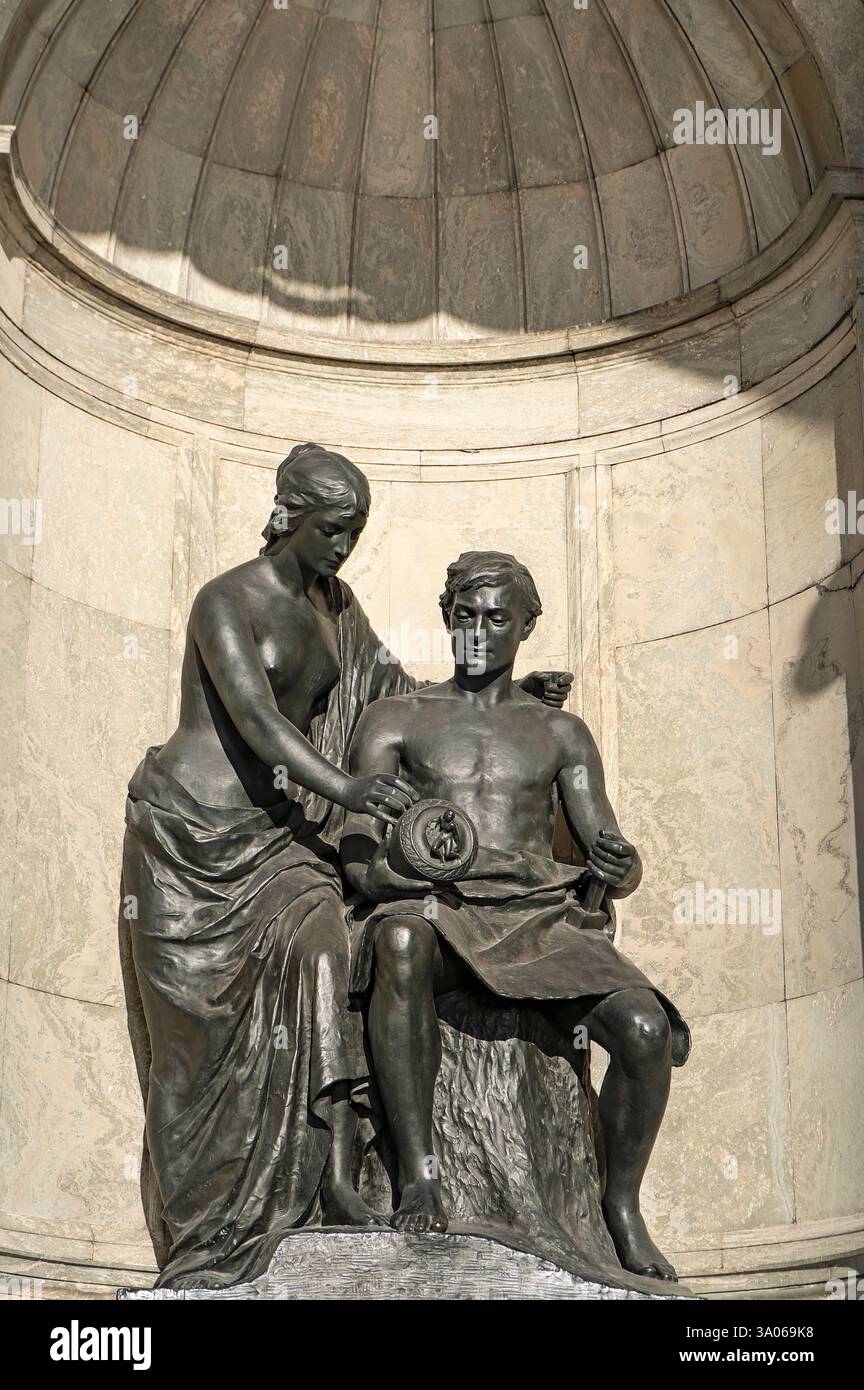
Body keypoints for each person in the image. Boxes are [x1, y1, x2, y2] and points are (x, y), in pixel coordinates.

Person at [120, 450, 571, 1289]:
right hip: (195, 837)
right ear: (289, 514)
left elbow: (388, 692)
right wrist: (349, 787)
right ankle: (208, 1227)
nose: (343, 548)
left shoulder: (335, 606)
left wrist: (498, 705)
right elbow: (258, 721)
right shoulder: (225, 601)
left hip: (285, 840)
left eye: (355, 533)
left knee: (329, 956)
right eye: (332, 530)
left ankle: (330, 1172)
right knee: (196, 1054)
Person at [341, 551, 691, 1282]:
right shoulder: (396, 719)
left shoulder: (561, 733)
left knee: (645, 1027)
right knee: (400, 938)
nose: (478, 630)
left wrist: (622, 870)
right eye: (464, 615)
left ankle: (620, 1205)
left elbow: (610, 852)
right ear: (446, 618)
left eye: (496, 617)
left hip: (543, 920)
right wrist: (401, 872)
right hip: (442, 909)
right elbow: (357, 858)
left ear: (526, 627)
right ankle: (420, 1171)